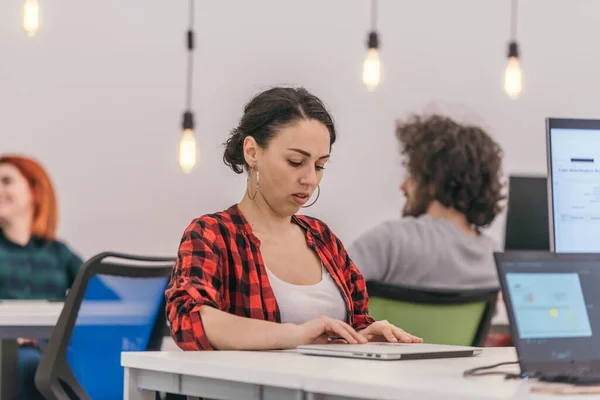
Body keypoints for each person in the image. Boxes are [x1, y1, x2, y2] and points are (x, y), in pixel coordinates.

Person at [165, 87, 422, 351]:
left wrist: (364, 333)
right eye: (295, 161)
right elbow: (188, 320)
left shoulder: (322, 238)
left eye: (320, 165)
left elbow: (354, 321)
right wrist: (295, 335)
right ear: (252, 152)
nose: (310, 179)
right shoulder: (212, 234)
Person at [348, 114, 505, 289]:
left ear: (433, 182)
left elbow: (325, 296)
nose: (403, 186)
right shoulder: (493, 260)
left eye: (412, 175)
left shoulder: (391, 242)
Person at [0, 155, 83, 400]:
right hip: (10, 353)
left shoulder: (58, 252)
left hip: (54, 349)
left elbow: (104, 295)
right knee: (35, 368)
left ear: (34, 191)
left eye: (6, 181)